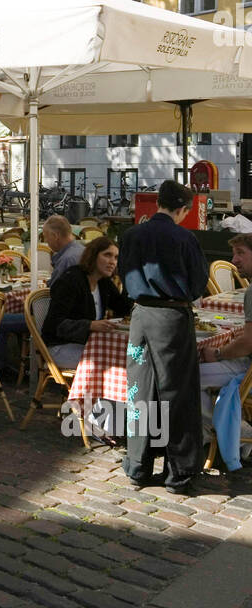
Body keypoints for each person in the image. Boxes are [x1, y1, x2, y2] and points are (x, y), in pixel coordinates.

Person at [118, 179, 210, 495]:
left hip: (141, 316)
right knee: (177, 394)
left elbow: (122, 272)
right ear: (183, 209)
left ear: (158, 201)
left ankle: (138, 465)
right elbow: (199, 284)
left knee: (140, 390)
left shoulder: (131, 234)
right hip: (172, 318)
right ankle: (179, 472)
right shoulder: (185, 238)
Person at [198, 235, 252, 475]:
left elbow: (248, 343)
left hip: (249, 371)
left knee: (185, 376)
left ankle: (232, 434)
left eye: (240, 253)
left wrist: (218, 353)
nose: (234, 260)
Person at [43, 235, 130, 371]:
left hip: (89, 344)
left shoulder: (103, 282)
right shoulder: (71, 281)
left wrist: (129, 279)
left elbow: (123, 308)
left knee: (132, 357)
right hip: (60, 347)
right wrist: (90, 325)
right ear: (93, 255)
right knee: (114, 364)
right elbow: (54, 325)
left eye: (116, 257)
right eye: (107, 255)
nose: (112, 262)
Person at [43, 215, 85, 285]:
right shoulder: (83, 250)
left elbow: (54, 291)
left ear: (55, 236)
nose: (45, 240)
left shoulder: (66, 260)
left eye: (46, 237)